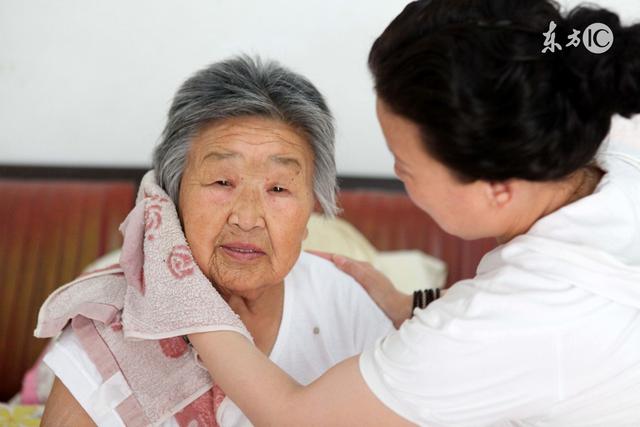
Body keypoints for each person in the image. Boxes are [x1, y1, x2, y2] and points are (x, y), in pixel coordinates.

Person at [182, 1, 640, 425]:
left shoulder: (524, 315)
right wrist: (412, 306)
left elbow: (296, 417)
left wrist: (178, 288)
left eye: (405, 164)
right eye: (221, 182)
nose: (246, 216)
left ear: (496, 187)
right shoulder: (610, 151)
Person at [40, 56, 393, 426]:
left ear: (311, 211)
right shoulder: (110, 327)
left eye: (278, 188)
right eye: (222, 182)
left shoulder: (345, 301)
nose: (247, 217)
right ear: (171, 196)